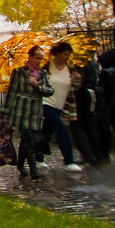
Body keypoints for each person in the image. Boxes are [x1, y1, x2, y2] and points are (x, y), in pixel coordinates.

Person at [2, 45, 53, 180]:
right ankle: (34, 170)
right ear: (30, 57)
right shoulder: (18, 72)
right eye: (36, 58)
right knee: (28, 138)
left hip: (34, 112)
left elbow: (50, 91)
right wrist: (5, 112)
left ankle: (20, 164)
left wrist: (37, 85)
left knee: (26, 140)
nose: (38, 61)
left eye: (41, 59)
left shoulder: (42, 75)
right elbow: (11, 93)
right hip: (20, 111)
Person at [41, 41, 83, 172]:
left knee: (46, 132)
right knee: (61, 129)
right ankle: (69, 161)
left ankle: (37, 157)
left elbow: (74, 88)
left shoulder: (69, 69)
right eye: (65, 54)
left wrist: (76, 79)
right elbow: (39, 84)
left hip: (60, 106)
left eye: (69, 55)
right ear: (57, 53)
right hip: (46, 103)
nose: (67, 57)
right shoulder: (47, 67)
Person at [97, 48, 115, 161]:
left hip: (108, 105)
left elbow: (103, 90)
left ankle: (104, 154)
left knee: (105, 130)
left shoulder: (105, 73)